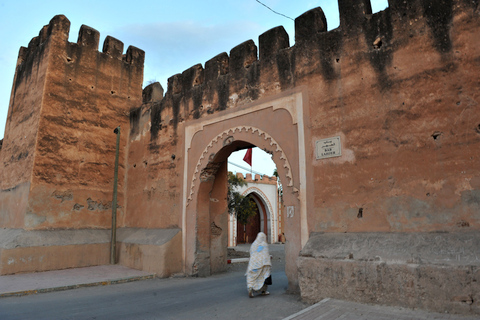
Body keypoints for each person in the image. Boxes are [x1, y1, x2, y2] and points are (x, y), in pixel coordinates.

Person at [245, 232, 271, 298]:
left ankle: (250, 288)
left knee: (251, 277)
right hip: (263, 264)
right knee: (264, 276)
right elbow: (266, 255)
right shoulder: (264, 244)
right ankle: (263, 291)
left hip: (253, 264)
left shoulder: (254, 244)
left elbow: (251, 253)